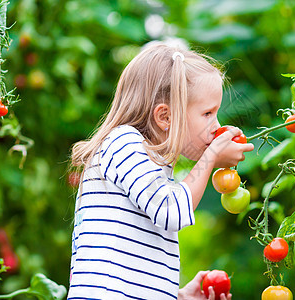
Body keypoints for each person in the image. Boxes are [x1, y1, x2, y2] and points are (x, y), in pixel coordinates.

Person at [67, 42, 254, 299]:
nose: (217, 125)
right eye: (208, 113)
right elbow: (171, 211)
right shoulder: (124, 144)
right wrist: (210, 157)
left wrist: (178, 296)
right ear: (165, 117)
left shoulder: (152, 165)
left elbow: (134, 269)